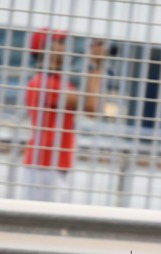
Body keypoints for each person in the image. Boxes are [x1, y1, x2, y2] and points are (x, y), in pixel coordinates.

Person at [21, 28, 106, 202]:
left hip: (50, 166)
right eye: (59, 42)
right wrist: (95, 65)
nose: (64, 47)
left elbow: (92, 109)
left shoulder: (58, 82)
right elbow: (90, 106)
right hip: (44, 167)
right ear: (45, 49)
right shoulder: (44, 84)